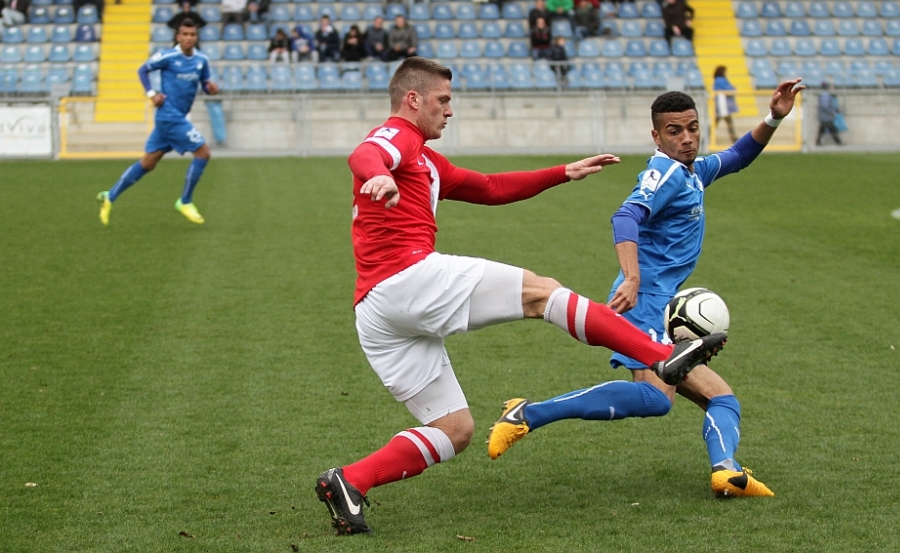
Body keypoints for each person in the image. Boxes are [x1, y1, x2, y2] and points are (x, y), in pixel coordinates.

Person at [314, 57, 727, 535]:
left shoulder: (426, 160)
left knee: (455, 430)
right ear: (413, 99)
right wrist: (379, 174)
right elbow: (366, 153)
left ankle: (350, 480)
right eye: (443, 100)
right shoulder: (398, 137)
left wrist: (562, 171)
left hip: (377, 312)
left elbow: (490, 187)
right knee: (542, 294)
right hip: (407, 278)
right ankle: (660, 356)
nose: (449, 110)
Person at [487, 79, 806, 500]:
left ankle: (726, 472)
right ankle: (527, 414)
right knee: (657, 398)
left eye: (692, 127)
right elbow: (626, 216)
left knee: (721, 398)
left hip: (664, 304)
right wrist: (632, 277)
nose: (687, 138)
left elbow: (738, 156)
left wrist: (774, 117)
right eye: (675, 131)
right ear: (657, 136)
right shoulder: (666, 172)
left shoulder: (692, 171)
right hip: (645, 302)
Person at [96, 19, 218, 227]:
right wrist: (152, 94)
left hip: (177, 117)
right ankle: (185, 202)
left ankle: (111, 196)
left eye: (192, 34)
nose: (189, 38)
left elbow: (205, 84)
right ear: (178, 37)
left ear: (196, 37)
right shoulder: (168, 56)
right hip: (169, 116)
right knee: (203, 153)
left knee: (148, 163)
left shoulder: (201, 60)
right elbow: (142, 70)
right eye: (185, 34)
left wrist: (211, 89)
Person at [713, 65, 739, 143]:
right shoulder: (720, 80)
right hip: (723, 105)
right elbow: (728, 89)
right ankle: (734, 139)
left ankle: (734, 138)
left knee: (719, 122)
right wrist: (733, 88)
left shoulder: (717, 80)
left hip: (721, 105)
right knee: (726, 123)